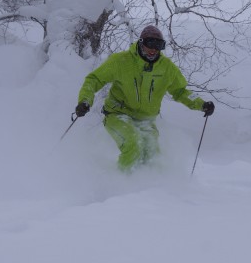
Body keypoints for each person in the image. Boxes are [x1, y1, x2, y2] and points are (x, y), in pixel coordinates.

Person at [75, 25, 215, 172]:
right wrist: (85, 100)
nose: (154, 49)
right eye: (150, 44)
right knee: (133, 143)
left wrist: (201, 104)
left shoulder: (166, 68)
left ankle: (149, 190)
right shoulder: (121, 61)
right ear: (141, 42)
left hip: (146, 119)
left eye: (159, 45)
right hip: (117, 114)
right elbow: (94, 79)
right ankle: (121, 184)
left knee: (152, 153)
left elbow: (180, 91)